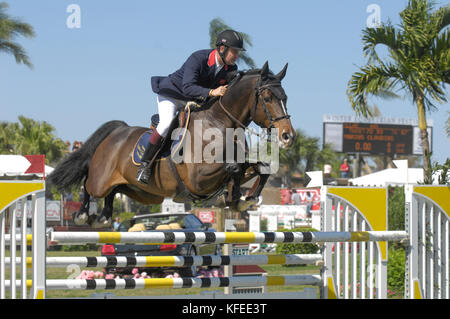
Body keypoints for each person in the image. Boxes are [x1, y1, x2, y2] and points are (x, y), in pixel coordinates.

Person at [136, 29, 246, 184]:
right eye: (234, 52)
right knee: (166, 123)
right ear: (222, 49)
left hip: (195, 100)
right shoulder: (198, 58)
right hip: (172, 95)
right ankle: (145, 165)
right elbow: (188, 87)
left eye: (238, 52)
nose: (237, 56)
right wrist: (212, 91)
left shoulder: (231, 69)